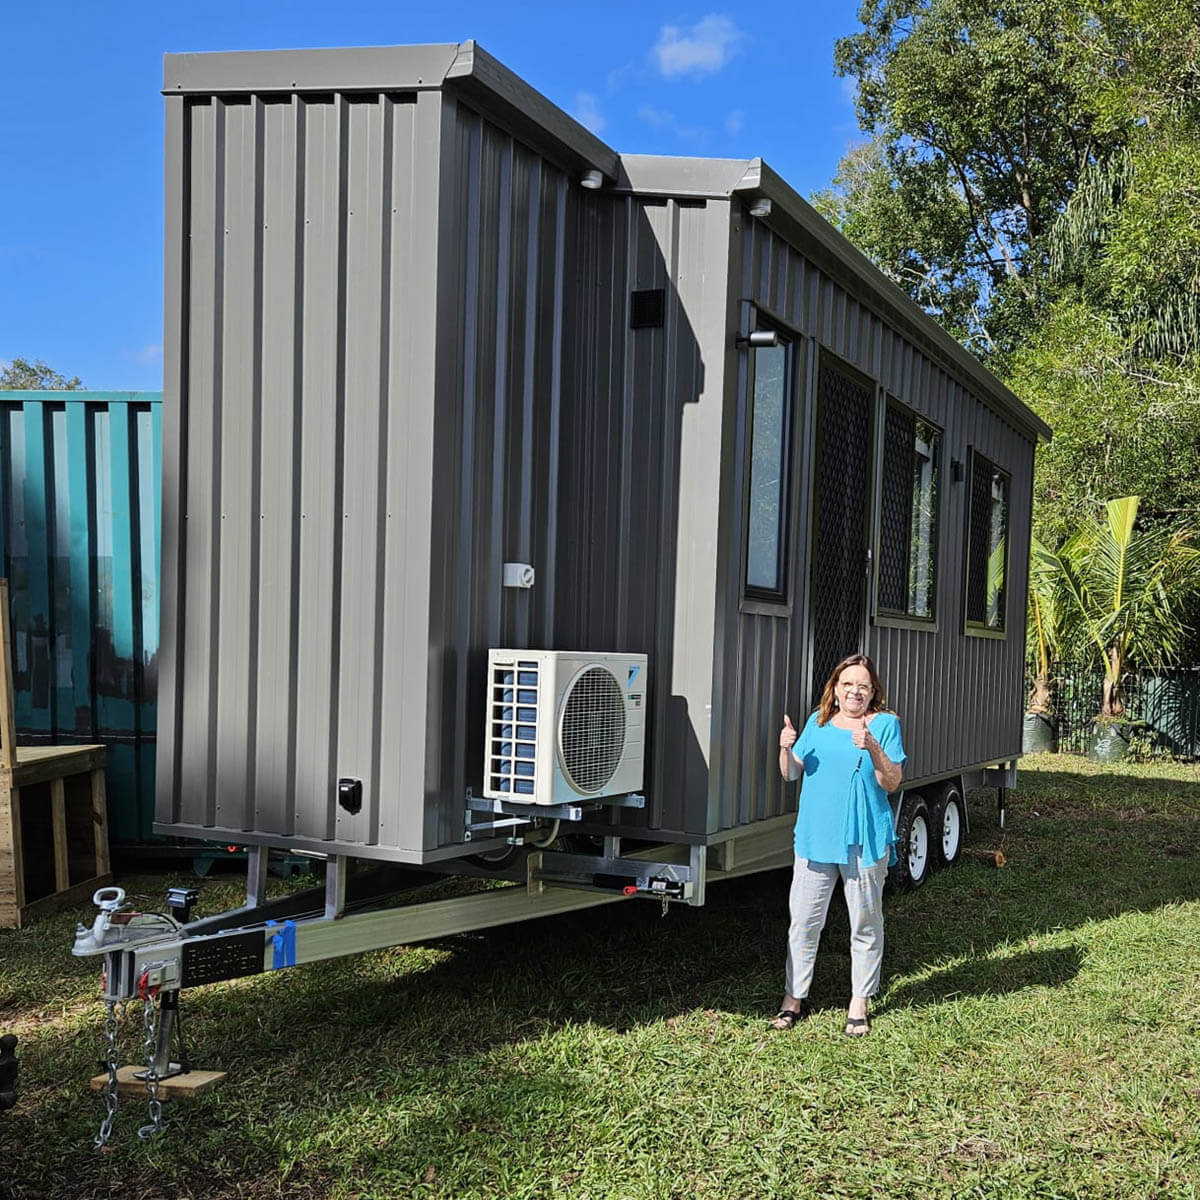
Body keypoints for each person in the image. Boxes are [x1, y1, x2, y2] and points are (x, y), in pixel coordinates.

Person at [771, 653, 905, 1036]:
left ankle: (859, 1002)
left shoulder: (886, 724)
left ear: (873, 691)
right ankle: (793, 999)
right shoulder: (818, 721)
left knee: (864, 922)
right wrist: (785, 748)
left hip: (864, 838)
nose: (854, 692)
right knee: (804, 922)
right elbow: (790, 774)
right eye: (848, 684)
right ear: (835, 688)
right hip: (815, 837)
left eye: (863, 686)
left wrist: (873, 747)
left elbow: (892, 782)